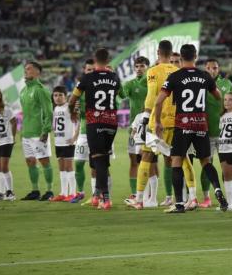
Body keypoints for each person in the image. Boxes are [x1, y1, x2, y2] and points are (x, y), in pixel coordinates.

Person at [153, 44, 227, 214]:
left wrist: (157, 122)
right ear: (195, 56)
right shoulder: (205, 75)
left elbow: (158, 101)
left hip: (182, 124)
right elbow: (218, 96)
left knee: (176, 161)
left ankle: (179, 203)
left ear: (181, 58)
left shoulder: (175, 76)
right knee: (206, 161)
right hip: (201, 124)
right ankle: (217, 190)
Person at [126, 40, 197, 210]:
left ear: (158, 52)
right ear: (171, 52)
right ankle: (193, 198)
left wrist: (145, 116)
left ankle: (140, 199)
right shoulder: (179, 71)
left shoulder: (153, 71)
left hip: (157, 121)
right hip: (177, 121)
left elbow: (151, 96)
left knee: (146, 156)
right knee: (181, 157)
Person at [68, 48, 121, 210]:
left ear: (94, 59)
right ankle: (97, 194)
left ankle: (105, 199)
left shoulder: (87, 77)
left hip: (94, 122)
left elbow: (73, 99)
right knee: (102, 159)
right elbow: (117, 93)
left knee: (98, 159)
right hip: (112, 122)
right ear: (108, 60)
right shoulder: (114, 77)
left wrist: (72, 112)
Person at [201, 58, 232, 208]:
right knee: (206, 164)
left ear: (218, 69)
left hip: (223, 133)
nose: (212, 70)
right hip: (206, 132)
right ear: (205, 68)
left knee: (225, 166)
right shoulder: (201, 83)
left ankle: (228, 197)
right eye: (209, 68)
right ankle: (206, 197)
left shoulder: (226, 84)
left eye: (214, 68)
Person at [19, 61, 54, 201]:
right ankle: (35, 190)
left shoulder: (41, 90)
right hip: (26, 133)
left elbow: (48, 112)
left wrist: (45, 131)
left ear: (37, 72)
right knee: (30, 161)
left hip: (38, 133)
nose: (25, 71)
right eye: (25, 69)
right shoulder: (23, 90)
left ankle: (49, 191)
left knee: (44, 161)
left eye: (29, 69)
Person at [122, 56, 149, 200]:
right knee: (134, 161)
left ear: (147, 67)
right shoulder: (130, 84)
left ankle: (149, 194)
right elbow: (121, 95)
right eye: (137, 66)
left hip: (150, 128)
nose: (139, 69)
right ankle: (135, 193)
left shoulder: (152, 83)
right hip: (134, 129)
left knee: (150, 162)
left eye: (142, 66)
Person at [71, 59, 95, 204]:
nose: (91, 72)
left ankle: (96, 195)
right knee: (79, 163)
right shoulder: (80, 89)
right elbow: (76, 115)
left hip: (97, 130)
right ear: (84, 71)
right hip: (84, 132)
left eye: (93, 70)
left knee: (96, 165)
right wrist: (75, 109)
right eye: (88, 70)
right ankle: (80, 192)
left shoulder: (101, 88)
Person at [50, 86, 78, 202]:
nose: (57, 98)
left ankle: (73, 193)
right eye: (55, 95)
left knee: (69, 167)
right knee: (61, 168)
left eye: (60, 95)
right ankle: (63, 193)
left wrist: (74, 137)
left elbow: (79, 122)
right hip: (58, 142)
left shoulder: (69, 108)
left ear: (65, 96)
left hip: (68, 142)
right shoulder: (55, 109)